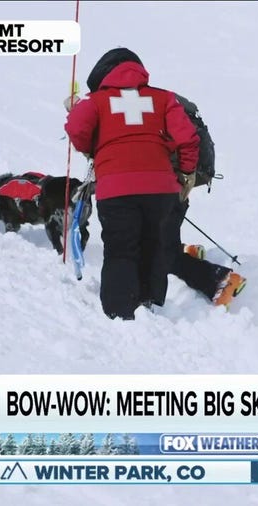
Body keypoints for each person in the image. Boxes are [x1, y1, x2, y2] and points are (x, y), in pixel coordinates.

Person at [64, 47, 199, 320]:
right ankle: (150, 304)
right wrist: (186, 171)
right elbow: (187, 137)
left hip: (116, 188)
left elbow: (76, 128)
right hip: (160, 188)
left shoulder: (96, 100)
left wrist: (92, 149)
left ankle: (119, 311)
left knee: (120, 248)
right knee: (153, 243)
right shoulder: (163, 98)